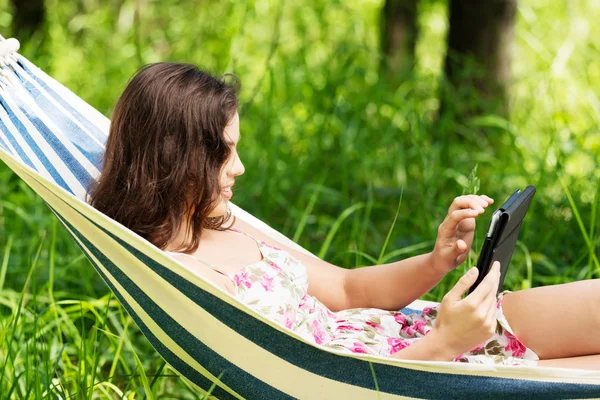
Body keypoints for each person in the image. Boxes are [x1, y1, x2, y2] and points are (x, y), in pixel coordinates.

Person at [88, 62, 600, 370]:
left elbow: (351, 291)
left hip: (420, 333)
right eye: (223, 154)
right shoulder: (180, 278)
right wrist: (445, 345)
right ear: (175, 161)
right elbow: (324, 389)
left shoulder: (222, 221)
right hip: (418, 371)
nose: (239, 168)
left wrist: (437, 260)